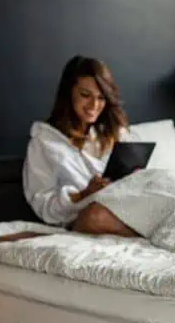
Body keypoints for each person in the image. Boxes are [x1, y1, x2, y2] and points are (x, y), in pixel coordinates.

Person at [21, 55, 139, 237]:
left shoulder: (114, 132)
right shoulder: (44, 142)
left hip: (127, 207)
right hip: (87, 218)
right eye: (85, 95)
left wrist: (137, 178)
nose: (94, 105)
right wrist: (84, 194)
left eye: (101, 98)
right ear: (69, 93)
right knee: (94, 215)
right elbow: (44, 207)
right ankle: (148, 233)